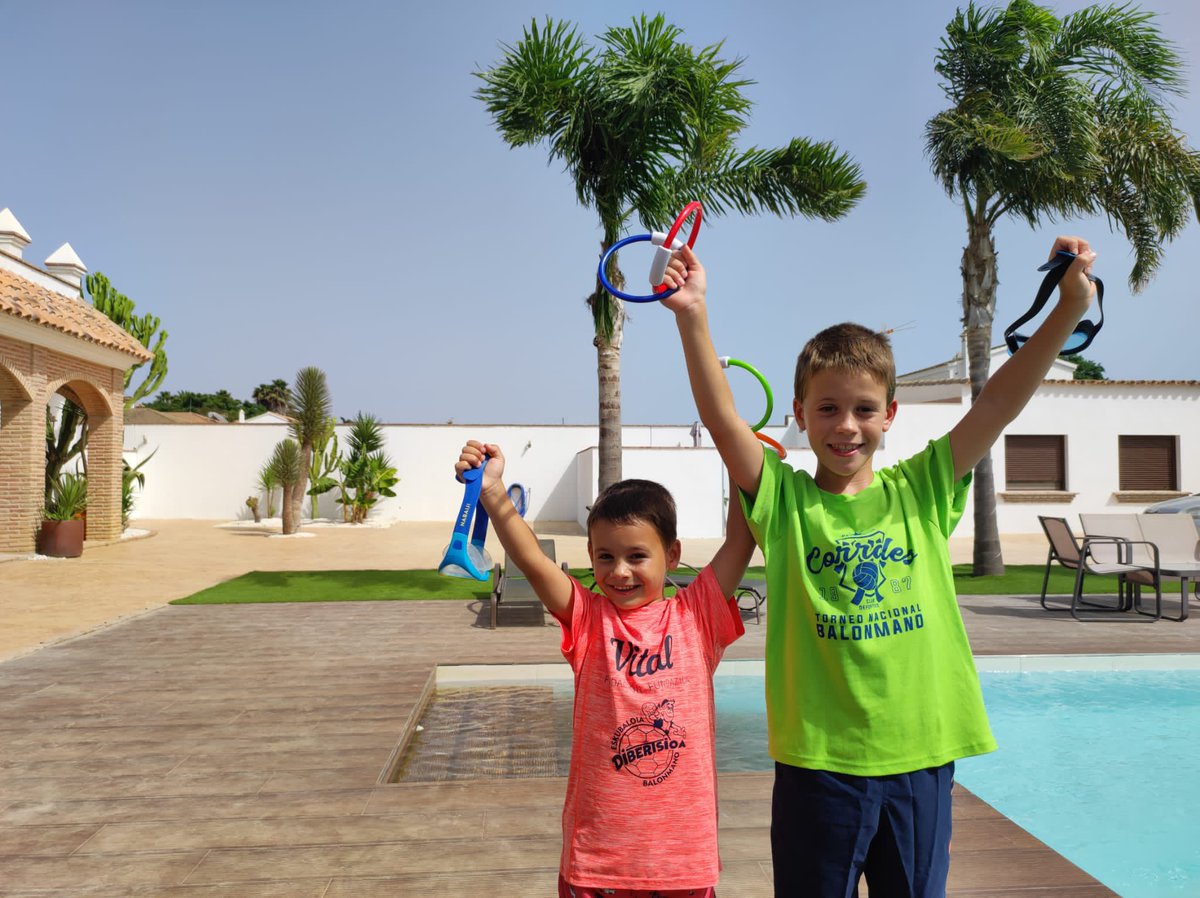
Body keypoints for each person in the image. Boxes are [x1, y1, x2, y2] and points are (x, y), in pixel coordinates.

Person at [660, 237, 1099, 897]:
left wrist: (1067, 310)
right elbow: (724, 423)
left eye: (864, 409)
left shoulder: (923, 489)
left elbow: (997, 404)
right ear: (800, 415)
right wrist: (693, 314)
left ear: (889, 415)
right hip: (819, 765)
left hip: (919, 758)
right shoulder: (784, 502)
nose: (847, 425)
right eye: (828, 408)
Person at [455, 439, 757, 898]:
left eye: (637, 556)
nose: (619, 571)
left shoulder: (696, 617)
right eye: (605, 557)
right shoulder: (589, 620)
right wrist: (493, 493)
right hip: (598, 863)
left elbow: (740, 540)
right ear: (591, 554)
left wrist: (741, 460)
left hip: (682, 864)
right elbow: (533, 562)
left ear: (672, 554)